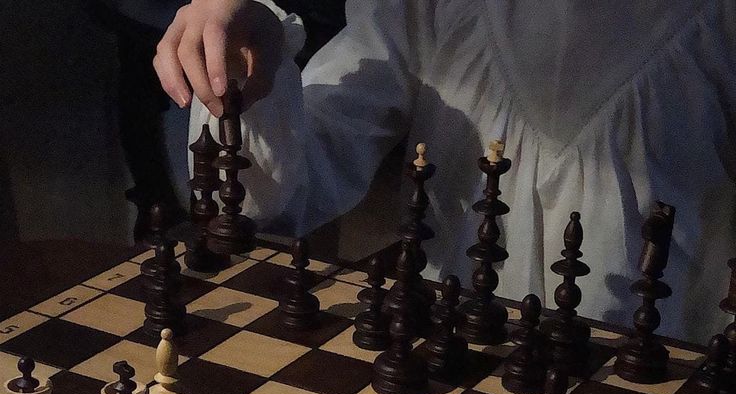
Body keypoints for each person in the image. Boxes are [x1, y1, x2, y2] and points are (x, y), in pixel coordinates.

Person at [154, 0, 736, 342]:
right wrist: (254, 63)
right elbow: (276, 200)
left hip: (660, 384)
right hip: (447, 364)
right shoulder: (425, 8)